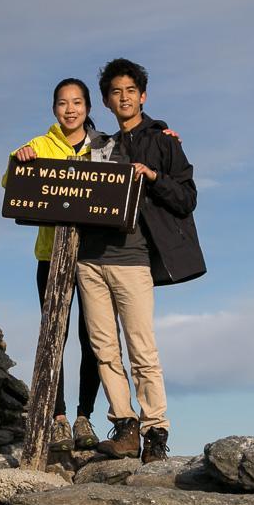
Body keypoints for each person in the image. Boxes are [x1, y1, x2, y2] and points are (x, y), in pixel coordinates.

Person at [76, 58, 205, 464]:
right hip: (89, 260)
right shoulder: (100, 146)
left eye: (131, 90)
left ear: (143, 96)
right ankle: (125, 426)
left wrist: (152, 177)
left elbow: (187, 198)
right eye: (116, 92)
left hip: (133, 259)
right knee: (103, 349)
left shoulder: (164, 141)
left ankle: (155, 433)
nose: (124, 97)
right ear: (106, 101)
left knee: (141, 349)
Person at [4, 78, 103, 452]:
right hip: (50, 257)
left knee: (93, 338)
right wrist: (19, 159)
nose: (70, 109)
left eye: (77, 102)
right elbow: (10, 180)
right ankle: (57, 418)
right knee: (53, 337)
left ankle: (84, 416)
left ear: (87, 108)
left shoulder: (103, 147)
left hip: (93, 257)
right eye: (63, 103)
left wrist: (163, 134)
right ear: (54, 109)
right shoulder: (41, 144)